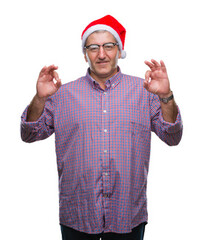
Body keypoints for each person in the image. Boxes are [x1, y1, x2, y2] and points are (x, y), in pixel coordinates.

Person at [19, 15, 183, 240]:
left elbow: (172, 136)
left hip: (127, 215)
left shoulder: (145, 92)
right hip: (78, 216)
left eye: (108, 46)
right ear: (85, 53)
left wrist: (165, 96)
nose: (102, 54)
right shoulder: (62, 94)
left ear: (119, 50)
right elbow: (29, 134)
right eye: (93, 47)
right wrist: (39, 98)